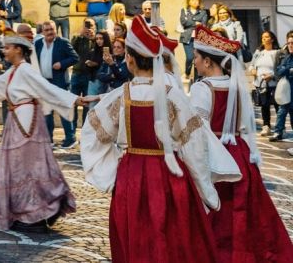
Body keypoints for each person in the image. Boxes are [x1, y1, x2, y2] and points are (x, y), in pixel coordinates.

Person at [80, 16, 230, 263]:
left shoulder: (119, 97)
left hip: (131, 176)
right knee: (170, 237)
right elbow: (194, 147)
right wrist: (206, 191)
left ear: (129, 58)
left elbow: (93, 134)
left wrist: (111, 171)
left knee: (135, 235)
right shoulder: (173, 97)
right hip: (169, 174)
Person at [0, 35, 86, 233]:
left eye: (8, 48)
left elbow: (45, 88)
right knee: (21, 168)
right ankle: (29, 211)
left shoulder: (25, 70)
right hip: (18, 121)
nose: (4, 51)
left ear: (19, 50)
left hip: (26, 123)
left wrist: (73, 100)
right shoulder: (14, 72)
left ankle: (38, 213)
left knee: (29, 168)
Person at [189, 25, 293, 261]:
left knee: (217, 213)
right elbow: (245, 124)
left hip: (214, 155)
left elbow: (198, 131)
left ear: (207, 61)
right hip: (239, 153)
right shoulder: (236, 85)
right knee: (245, 211)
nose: (193, 62)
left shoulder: (201, 88)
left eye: (196, 57)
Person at [35, 20, 79, 148]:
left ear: (56, 30)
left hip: (59, 82)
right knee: (47, 112)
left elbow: (75, 57)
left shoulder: (63, 42)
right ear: (42, 31)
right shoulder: (38, 44)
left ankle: (70, 138)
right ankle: (48, 139)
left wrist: (62, 64)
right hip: (44, 83)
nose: (49, 32)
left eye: (51, 29)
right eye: (47, 30)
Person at [68, 19, 96, 145]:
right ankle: (72, 133)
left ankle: (85, 134)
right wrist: (80, 35)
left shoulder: (97, 40)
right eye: (86, 26)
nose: (89, 28)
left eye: (91, 26)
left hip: (89, 76)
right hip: (77, 74)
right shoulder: (77, 39)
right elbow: (71, 51)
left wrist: (93, 38)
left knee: (87, 107)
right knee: (72, 104)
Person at [249, 30, 280, 136]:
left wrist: (271, 75)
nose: (264, 39)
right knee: (264, 106)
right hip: (260, 84)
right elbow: (251, 65)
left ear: (272, 39)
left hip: (274, 84)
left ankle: (280, 127)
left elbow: (280, 68)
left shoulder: (277, 52)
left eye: (266, 37)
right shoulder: (258, 53)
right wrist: (252, 70)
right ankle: (266, 127)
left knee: (277, 106)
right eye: (263, 37)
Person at [179, 0, 208, 80]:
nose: (195, 2)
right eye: (193, 0)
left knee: (198, 59)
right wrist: (195, 23)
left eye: (197, 0)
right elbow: (183, 22)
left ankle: (198, 77)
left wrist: (190, 23)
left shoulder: (203, 12)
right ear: (189, 2)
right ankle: (187, 73)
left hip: (198, 38)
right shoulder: (184, 10)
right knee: (190, 57)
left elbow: (203, 24)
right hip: (187, 38)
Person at [271, 34, 293, 142]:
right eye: (288, 43)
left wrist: (285, 69)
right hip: (287, 89)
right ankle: (278, 132)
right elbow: (279, 71)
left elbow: (283, 69)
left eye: (292, 43)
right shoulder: (287, 57)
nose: (290, 45)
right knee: (281, 111)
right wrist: (289, 69)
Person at [86, 31, 112, 104]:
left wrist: (97, 63)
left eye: (101, 38)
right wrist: (90, 64)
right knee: (93, 106)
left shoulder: (111, 50)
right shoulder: (93, 51)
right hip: (94, 81)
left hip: (107, 82)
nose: (98, 41)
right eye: (97, 39)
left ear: (105, 39)